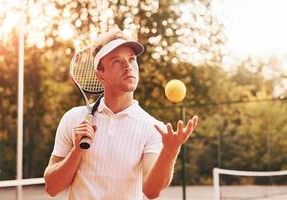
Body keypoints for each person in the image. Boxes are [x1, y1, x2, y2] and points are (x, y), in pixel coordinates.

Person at [44, 28, 198, 200]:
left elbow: (151, 190)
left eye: (132, 59)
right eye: (116, 61)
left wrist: (170, 152)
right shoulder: (72, 118)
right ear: (100, 74)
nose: (128, 66)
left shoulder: (153, 128)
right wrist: (77, 151)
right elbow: (52, 187)